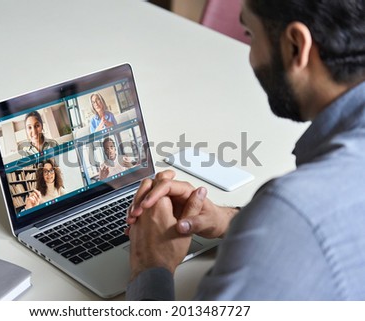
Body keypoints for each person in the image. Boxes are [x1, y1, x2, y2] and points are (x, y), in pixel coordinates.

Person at [125, 0, 365, 300]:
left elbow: (305, 224)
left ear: (296, 46)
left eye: (250, 35)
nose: (249, 57)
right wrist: (238, 221)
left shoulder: (294, 212)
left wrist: (150, 264)